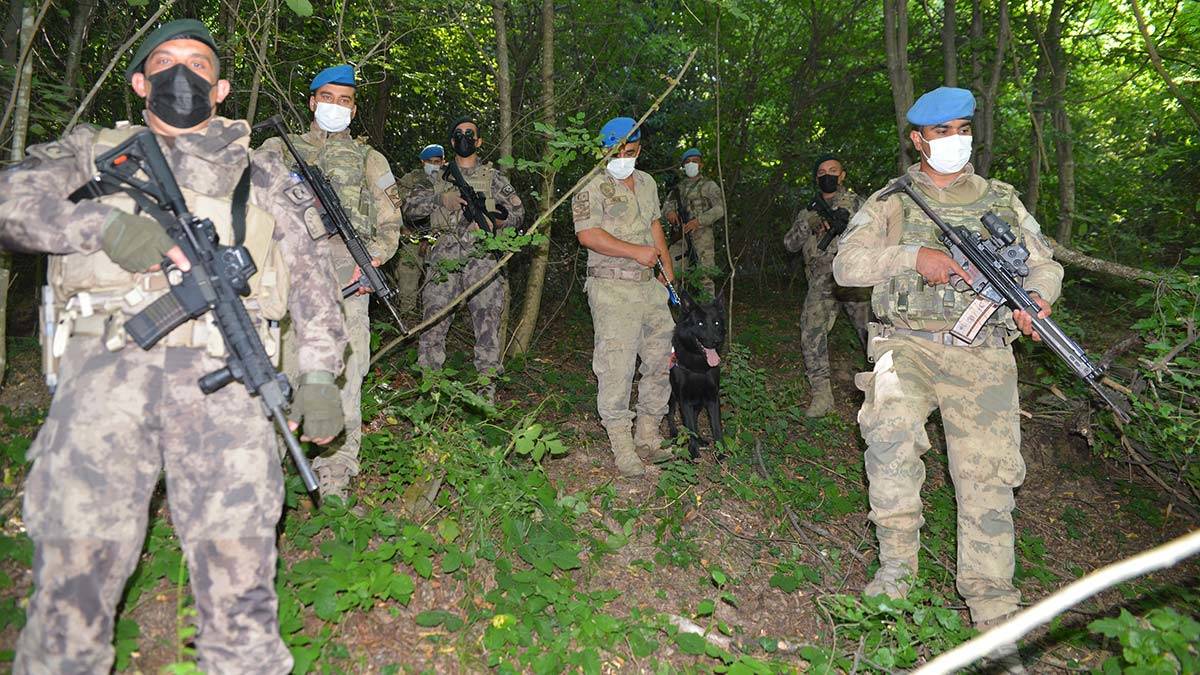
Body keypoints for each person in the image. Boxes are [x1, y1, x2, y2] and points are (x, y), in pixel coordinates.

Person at [0, 20, 347, 672]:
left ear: (221, 89)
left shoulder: (262, 174)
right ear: (139, 82)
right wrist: (99, 225)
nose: (182, 73)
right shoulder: (89, 153)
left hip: (229, 394)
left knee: (242, 591)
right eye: (165, 61)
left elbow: (313, 283)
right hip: (102, 391)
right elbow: (8, 201)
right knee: (72, 588)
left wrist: (321, 375)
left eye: (198, 63)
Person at [833, 86, 1063, 674]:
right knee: (890, 434)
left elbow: (1044, 263)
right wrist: (912, 257)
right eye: (942, 132)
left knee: (989, 476)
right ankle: (896, 575)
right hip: (904, 344)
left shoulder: (1001, 199)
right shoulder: (892, 200)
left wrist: (1037, 299)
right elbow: (846, 265)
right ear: (919, 140)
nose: (955, 140)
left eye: (963, 129)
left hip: (982, 355)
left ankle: (993, 611)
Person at [257, 64, 404, 500]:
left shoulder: (370, 159)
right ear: (312, 102)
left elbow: (390, 221)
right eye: (327, 97)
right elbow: (249, 205)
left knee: (344, 375)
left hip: (347, 282)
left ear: (354, 110)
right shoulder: (278, 148)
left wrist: (373, 259)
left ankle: (335, 473)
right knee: (281, 372)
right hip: (285, 281)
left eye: (345, 100)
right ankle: (269, 471)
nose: (335, 106)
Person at [573, 117, 676, 477]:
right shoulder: (591, 186)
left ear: (639, 149)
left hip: (650, 286)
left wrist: (667, 270)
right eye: (614, 152)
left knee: (660, 360)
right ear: (603, 151)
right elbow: (587, 235)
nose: (622, 159)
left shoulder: (647, 183)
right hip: (612, 287)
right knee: (617, 367)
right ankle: (622, 445)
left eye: (629, 152)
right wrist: (635, 252)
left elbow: (654, 225)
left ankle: (648, 434)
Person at [403, 116, 524, 400]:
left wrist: (494, 221)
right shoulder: (437, 178)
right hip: (443, 263)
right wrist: (440, 200)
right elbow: (409, 209)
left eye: (470, 134)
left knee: (487, 327)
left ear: (479, 141)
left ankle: (486, 393)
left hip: (483, 261)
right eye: (459, 134)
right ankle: (430, 393)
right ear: (452, 141)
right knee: (433, 326)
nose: (465, 138)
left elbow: (518, 213)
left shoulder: (494, 178)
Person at [783, 154, 870, 417]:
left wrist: (849, 228)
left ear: (842, 175)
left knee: (872, 336)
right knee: (811, 333)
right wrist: (806, 225)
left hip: (854, 276)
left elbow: (879, 235)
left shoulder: (858, 203)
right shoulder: (808, 211)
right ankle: (822, 395)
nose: (827, 175)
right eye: (821, 172)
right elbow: (790, 245)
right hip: (822, 280)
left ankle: (880, 391)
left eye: (833, 170)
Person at [386, 143, 445, 314]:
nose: (433, 165)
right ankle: (407, 315)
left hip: (440, 238)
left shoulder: (448, 180)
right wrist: (401, 227)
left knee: (441, 281)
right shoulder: (409, 179)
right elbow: (392, 202)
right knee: (407, 278)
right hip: (412, 236)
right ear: (422, 162)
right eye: (429, 161)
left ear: (443, 161)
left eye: (437, 161)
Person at [661, 147, 725, 297]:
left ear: (701, 164)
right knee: (671, 271)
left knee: (705, 273)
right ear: (683, 166)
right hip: (680, 236)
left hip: (702, 235)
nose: (691, 164)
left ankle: (707, 306)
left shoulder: (709, 185)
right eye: (688, 162)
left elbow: (720, 209)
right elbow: (666, 207)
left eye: (695, 161)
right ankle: (673, 304)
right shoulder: (678, 188)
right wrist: (669, 213)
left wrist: (698, 221)